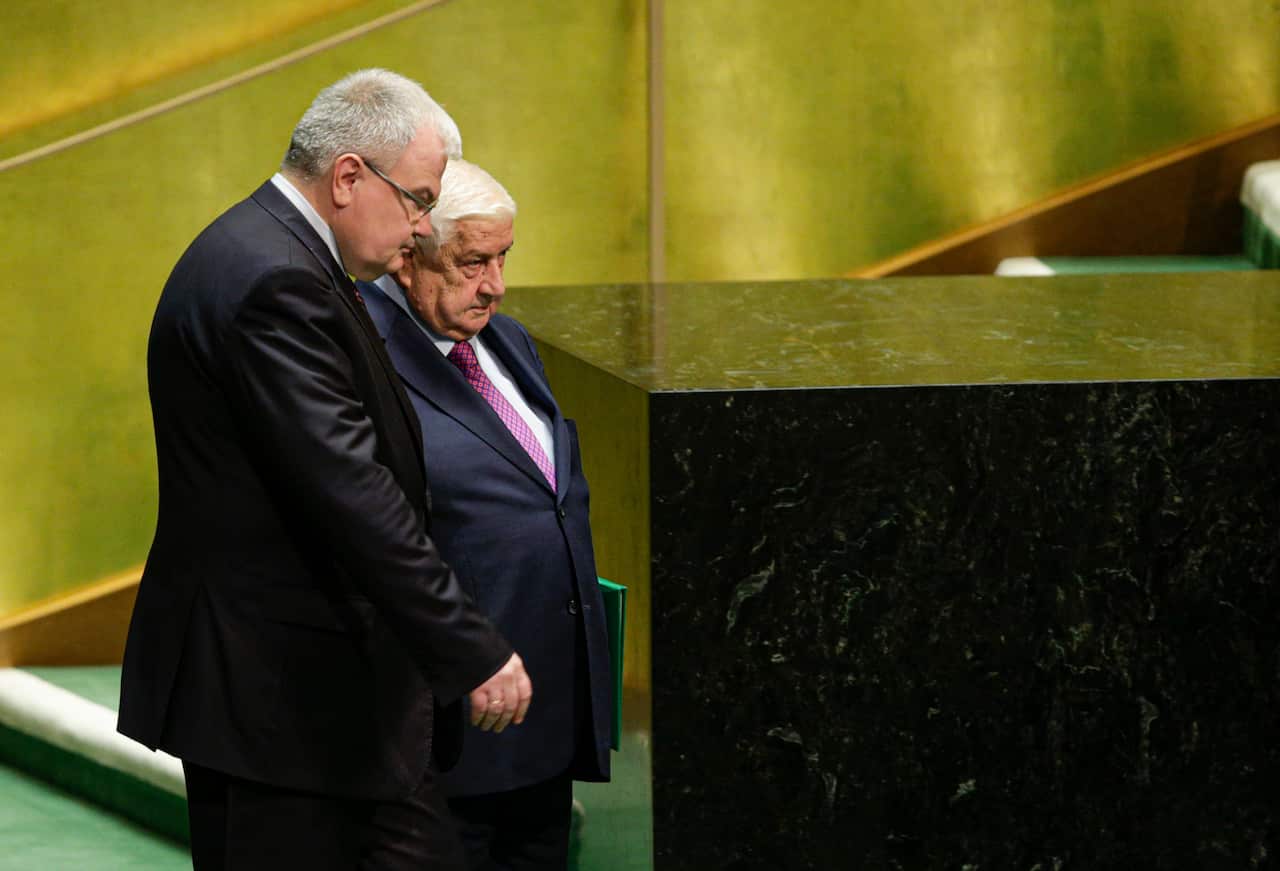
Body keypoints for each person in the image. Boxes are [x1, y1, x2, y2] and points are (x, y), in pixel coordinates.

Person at [117, 69, 533, 870]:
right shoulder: (275, 279)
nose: (420, 227)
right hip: (277, 701)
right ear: (349, 176)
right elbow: (353, 492)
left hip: (316, 703)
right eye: (416, 198)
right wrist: (471, 646)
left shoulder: (272, 253)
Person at [358, 159, 612, 870]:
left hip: (545, 721)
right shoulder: (360, 357)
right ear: (409, 257)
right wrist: (465, 653)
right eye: (472, 261)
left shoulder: (508, 341)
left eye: (502, 258)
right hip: (445, 734)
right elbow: (375, 537)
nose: (494, 285)